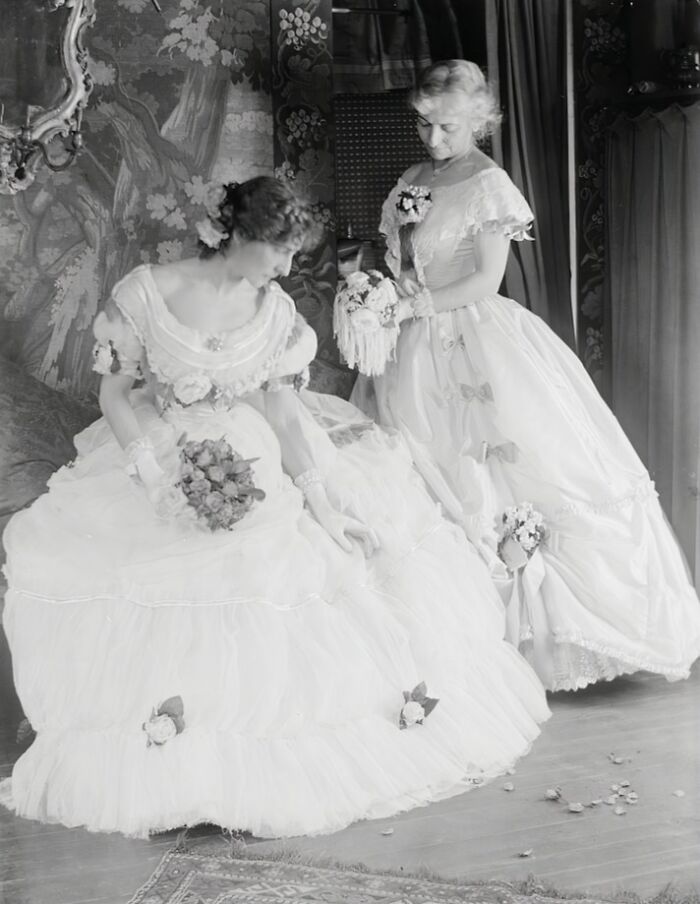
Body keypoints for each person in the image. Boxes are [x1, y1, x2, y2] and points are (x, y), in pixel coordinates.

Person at [0, 176, 549, 839]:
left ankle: (255, 762)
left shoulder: (277, 314)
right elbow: (118, 394)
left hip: (254, 460)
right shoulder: (147, 292)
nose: (289, 268)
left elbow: (287, 418)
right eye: (280, 252)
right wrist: (159, 477)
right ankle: (170, 761)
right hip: (152, 450)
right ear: (242, 238)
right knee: (135, 579)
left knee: (301, 578)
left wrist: (322, 501)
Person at [351, 60, 700, 692]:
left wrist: (415, 305)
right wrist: (384, 296)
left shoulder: (489, 185)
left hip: (474, 335)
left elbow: (485, 279)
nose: (432, 140)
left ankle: (538, 636)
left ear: (479, 120)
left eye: (447, 126)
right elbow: (403, 258)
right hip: (411, 346)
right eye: (425, 125)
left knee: (504, 463)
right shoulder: (411, 179)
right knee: (412, 466)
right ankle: (444, 632)